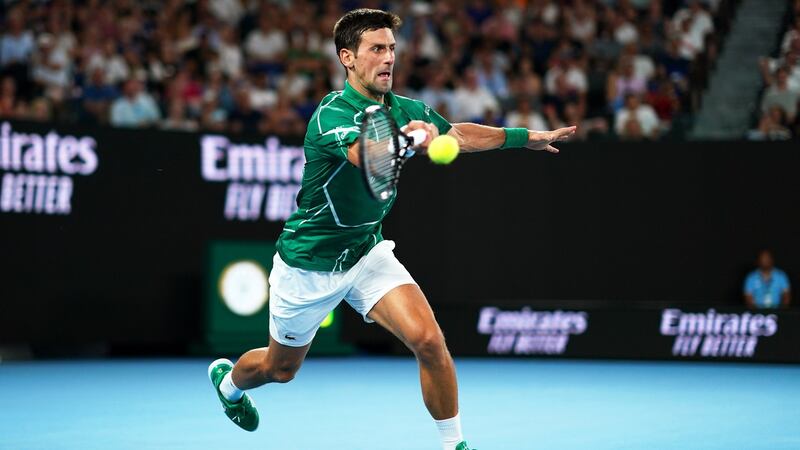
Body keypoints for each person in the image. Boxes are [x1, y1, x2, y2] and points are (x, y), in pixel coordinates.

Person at [207, 9, 575, 450]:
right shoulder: (330, 113)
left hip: (366, 252)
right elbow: (368, 157)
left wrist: (523, 137)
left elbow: (457, 135)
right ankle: (229, 384)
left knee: (429, 341)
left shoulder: (405, 109)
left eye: (392, 49)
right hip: (309, 263)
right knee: (280, 369)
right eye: (376, 49)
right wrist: (411, 140)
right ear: (347, 57)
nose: (388, 58)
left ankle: (454, 445)